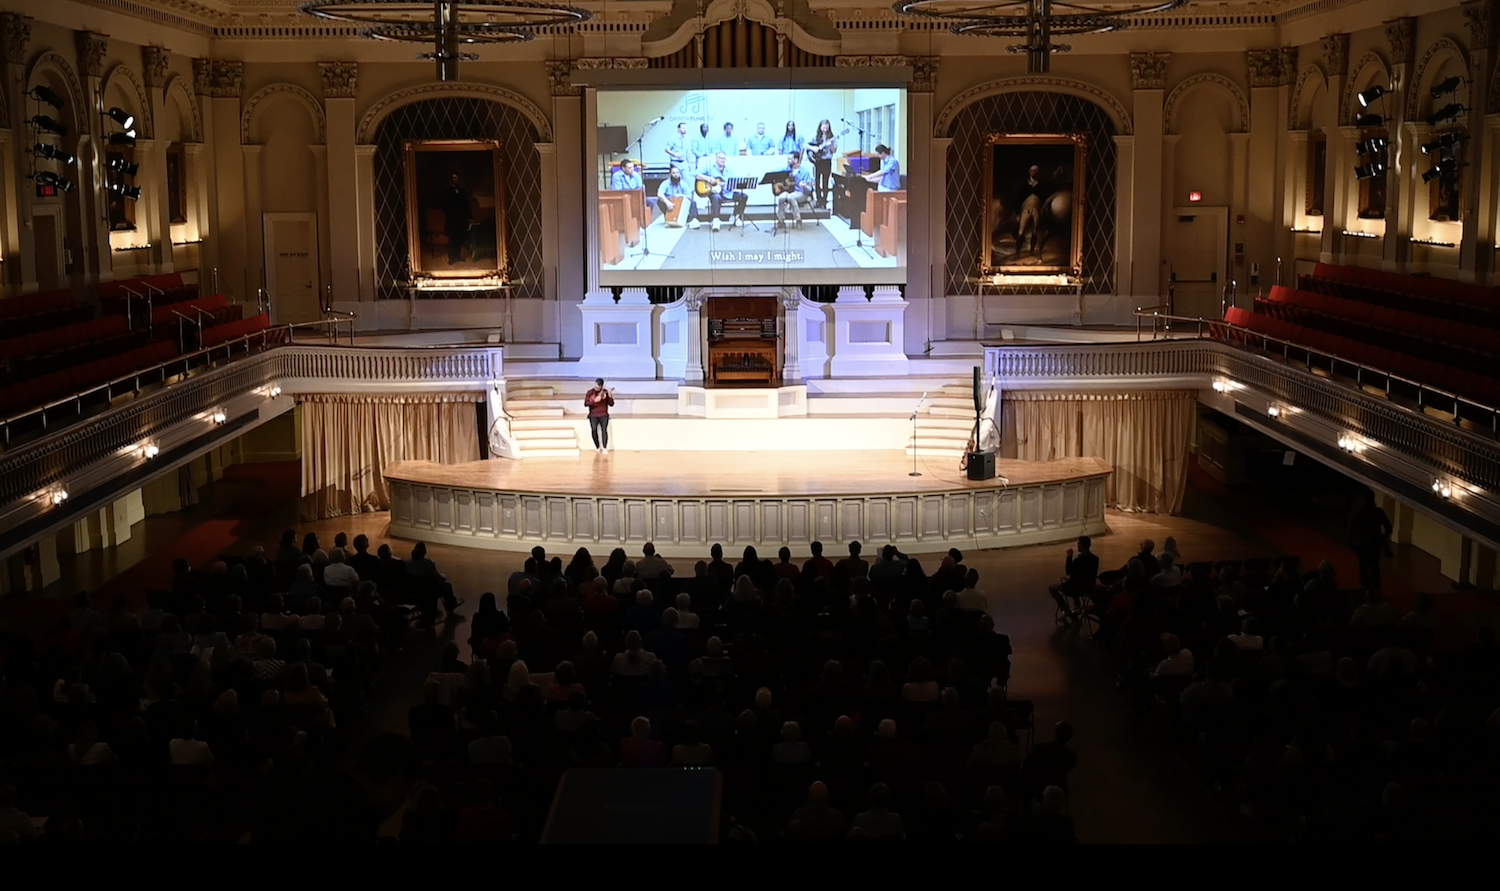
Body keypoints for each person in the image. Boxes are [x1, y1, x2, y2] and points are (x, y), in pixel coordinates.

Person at [1349, 491, 1394, 589]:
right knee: (1375, 566)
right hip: (1375, 544)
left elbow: (1351, 529)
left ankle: (1365, 589)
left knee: (1363, 567)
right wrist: (1382, 539)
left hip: (1362, 544)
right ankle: (1376, 589)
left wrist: (1351, 543)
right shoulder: (1379, 512)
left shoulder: (1358, 512)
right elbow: (1389, 528)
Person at [696, 152, 748, 231]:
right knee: (716, 197)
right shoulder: (709, 168)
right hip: (714, 193)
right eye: (720, 158)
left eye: (724, 158)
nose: (722, 160)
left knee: (744, 196)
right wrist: (707, 179)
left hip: (728, 193)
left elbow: (733, 183)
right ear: (716, 158)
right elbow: (695, 174)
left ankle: (736, 216)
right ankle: (716, 220)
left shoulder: (729, 170)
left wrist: (732, 185)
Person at [774, 152, 815, 231]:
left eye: (790, 159)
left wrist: (804, 186)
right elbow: (775, 173)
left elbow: (809, 190)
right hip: (790, 192)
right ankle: (781, 221)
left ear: (796, 160)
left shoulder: (804, 172)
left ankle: (798, 219)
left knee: (790, 197)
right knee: (781, 197)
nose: (788, 160)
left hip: (802, 193)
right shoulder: (787, 169)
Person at [1015, 164, 1049, 255]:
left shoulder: (1042, 185)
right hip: (1026, 209)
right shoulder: (1024, 186)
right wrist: (1018, 213)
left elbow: (1045, 198)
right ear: (1029, 172)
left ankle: (1032, 252)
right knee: (1021, 231)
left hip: (1036, 209)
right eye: (1032, 170)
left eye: (1035, 171)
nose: (1034, 172)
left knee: (1035, 231)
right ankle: (1017, 253)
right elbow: (1018, 199)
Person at [439, 172, 472, 264]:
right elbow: (443, 204)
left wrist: (469, 217)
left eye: (456, 178)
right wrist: (449, 213)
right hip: (452, 219)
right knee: (452, 239)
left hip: (460, 219)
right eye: (454, 178)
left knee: (459, 238)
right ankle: (451, 257)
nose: (455, 180)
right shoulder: (447, 191)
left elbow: (466, 205)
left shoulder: (462, 192)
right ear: (451, 179)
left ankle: (457, 255)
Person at [655, 164, 700, 229]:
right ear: (670, 174)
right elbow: (659, 193)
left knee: (693, 203)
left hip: (681, 204)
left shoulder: (683, 184)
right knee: (660, 201)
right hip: (670, 204)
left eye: (677, 173)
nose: (676, 175)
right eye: (674, 173)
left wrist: (680, 196)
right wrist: (667, 203)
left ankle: (693, 220)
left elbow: (689, 196)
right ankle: (668, 217)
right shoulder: (665, 183)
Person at [807, 119, 838, 207]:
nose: (825, 128)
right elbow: (806, 145)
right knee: (817, 181)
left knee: (825, 181)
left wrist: (830, 145)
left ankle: (824, 200)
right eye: (823, 126)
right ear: (820, 127)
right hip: (818, 161)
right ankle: (818, 199)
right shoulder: (815, 136)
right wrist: (813, 149)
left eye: (826, 126)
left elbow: (834, 150)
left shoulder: (832, 137)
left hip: (827, 161)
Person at [584, 378, 614, 452]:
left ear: (601, 386)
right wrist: (594, 401)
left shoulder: (605, 392)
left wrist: (610, 395)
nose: (597, 389)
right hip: (593, 415)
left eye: (598, 388)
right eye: (596, 387)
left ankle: (604, 447)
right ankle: (597, 446)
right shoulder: (590, 392)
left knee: (604, 430)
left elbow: (611, 404)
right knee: (594, 430)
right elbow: (586, 403)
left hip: (603, 414)